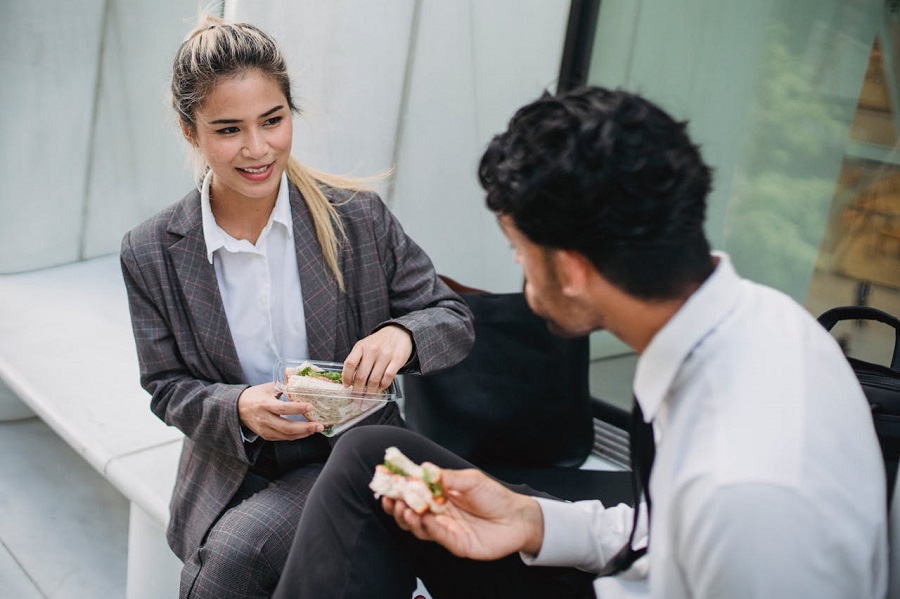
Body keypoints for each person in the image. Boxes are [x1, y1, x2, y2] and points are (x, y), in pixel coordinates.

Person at [272, 86, 889, 598]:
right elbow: (662, 537)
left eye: (517, 249)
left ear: (570, 270)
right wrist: (531, 520)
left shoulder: (748, 499)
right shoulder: (763, 323)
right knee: (372, 457)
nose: (515, 266)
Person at [119, 15, 474, 599]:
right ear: (191, 132)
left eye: (273, 120)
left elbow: (451, 318)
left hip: (355, 452)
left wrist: (401, 336)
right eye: (229, 129)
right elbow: (165, 386)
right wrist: (238, 407)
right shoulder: (152, 251)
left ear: (290, 112)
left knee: (232, 563)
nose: (257, 148)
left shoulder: (357, 219)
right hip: (232, 467)